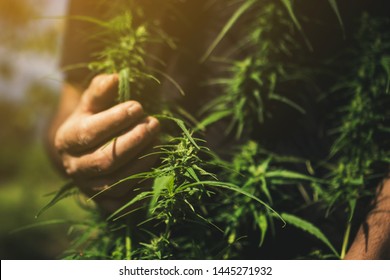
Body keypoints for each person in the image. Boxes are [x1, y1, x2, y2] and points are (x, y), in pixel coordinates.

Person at [45, 0, 390, 259]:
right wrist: (74, 147)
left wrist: (367, 256)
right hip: (147, 244)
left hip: (328, 243)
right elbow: (68, 110)